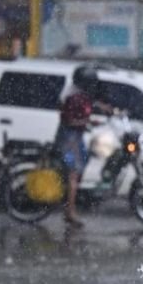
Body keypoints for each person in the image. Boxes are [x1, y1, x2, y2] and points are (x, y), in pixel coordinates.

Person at [54, 65, 111, 228]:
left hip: (76, 138)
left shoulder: (78, 92)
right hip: (68, 139)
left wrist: (106, 108)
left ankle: (71, 200)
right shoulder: (72, 97)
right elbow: (69, 120)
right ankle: (70, 212)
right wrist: (89, 121)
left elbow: (91, 102)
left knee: (82, 165)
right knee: (74, 173)